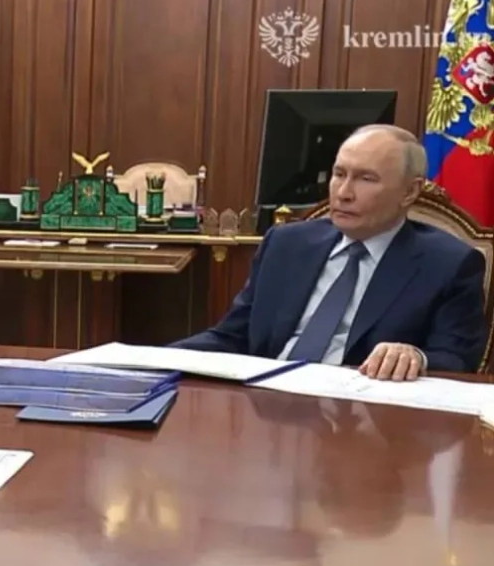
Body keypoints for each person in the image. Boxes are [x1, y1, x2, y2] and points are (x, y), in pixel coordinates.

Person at [171, 123, 488, 381]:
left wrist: (414, 356)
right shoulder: (285, 244)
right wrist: (153, 360)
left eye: (366, 179)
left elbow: (457, 360)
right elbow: (232, 337)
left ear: (410, 192)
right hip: (265, 407)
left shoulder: (449, 264)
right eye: (339, 174)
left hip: (365, 416)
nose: (344, 193)